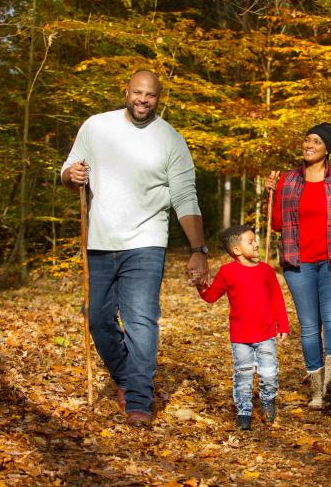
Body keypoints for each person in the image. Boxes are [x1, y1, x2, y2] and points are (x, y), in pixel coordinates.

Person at [61, 70, 210, 427]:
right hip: (100, 241)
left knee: (140, 321)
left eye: (151, 95)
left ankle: (139, 400)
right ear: (125, 91)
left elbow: (185, 196)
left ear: (160, 98)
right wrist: (72, 176)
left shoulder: (170, 140)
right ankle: (128, 378)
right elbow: (68, 171)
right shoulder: (96, 127)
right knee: (98, 318)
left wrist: (198, 249)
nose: (143, 100)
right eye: (138, 93)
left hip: (146, 242)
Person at [265, 122, 331, 410]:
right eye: (307, 140)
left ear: (327, 149)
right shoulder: (289, 179)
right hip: (298, 262)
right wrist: (272, 194)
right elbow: (278, 225)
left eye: (316, 141)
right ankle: (317, 391)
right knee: (307, 327)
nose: (309, 145)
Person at [196, 225, 289, 430]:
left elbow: (276, 298)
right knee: (243, 374)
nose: (256, 243)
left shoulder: (266, 271)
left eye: (255, 240)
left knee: (269, 373)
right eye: (250, 241)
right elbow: (211, 296)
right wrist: (200, 285)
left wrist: (282, 323)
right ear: (236, 250)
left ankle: (267, 402)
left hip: (265, 334)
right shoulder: (227, 272)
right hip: (240, 336)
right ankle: (244, 411)